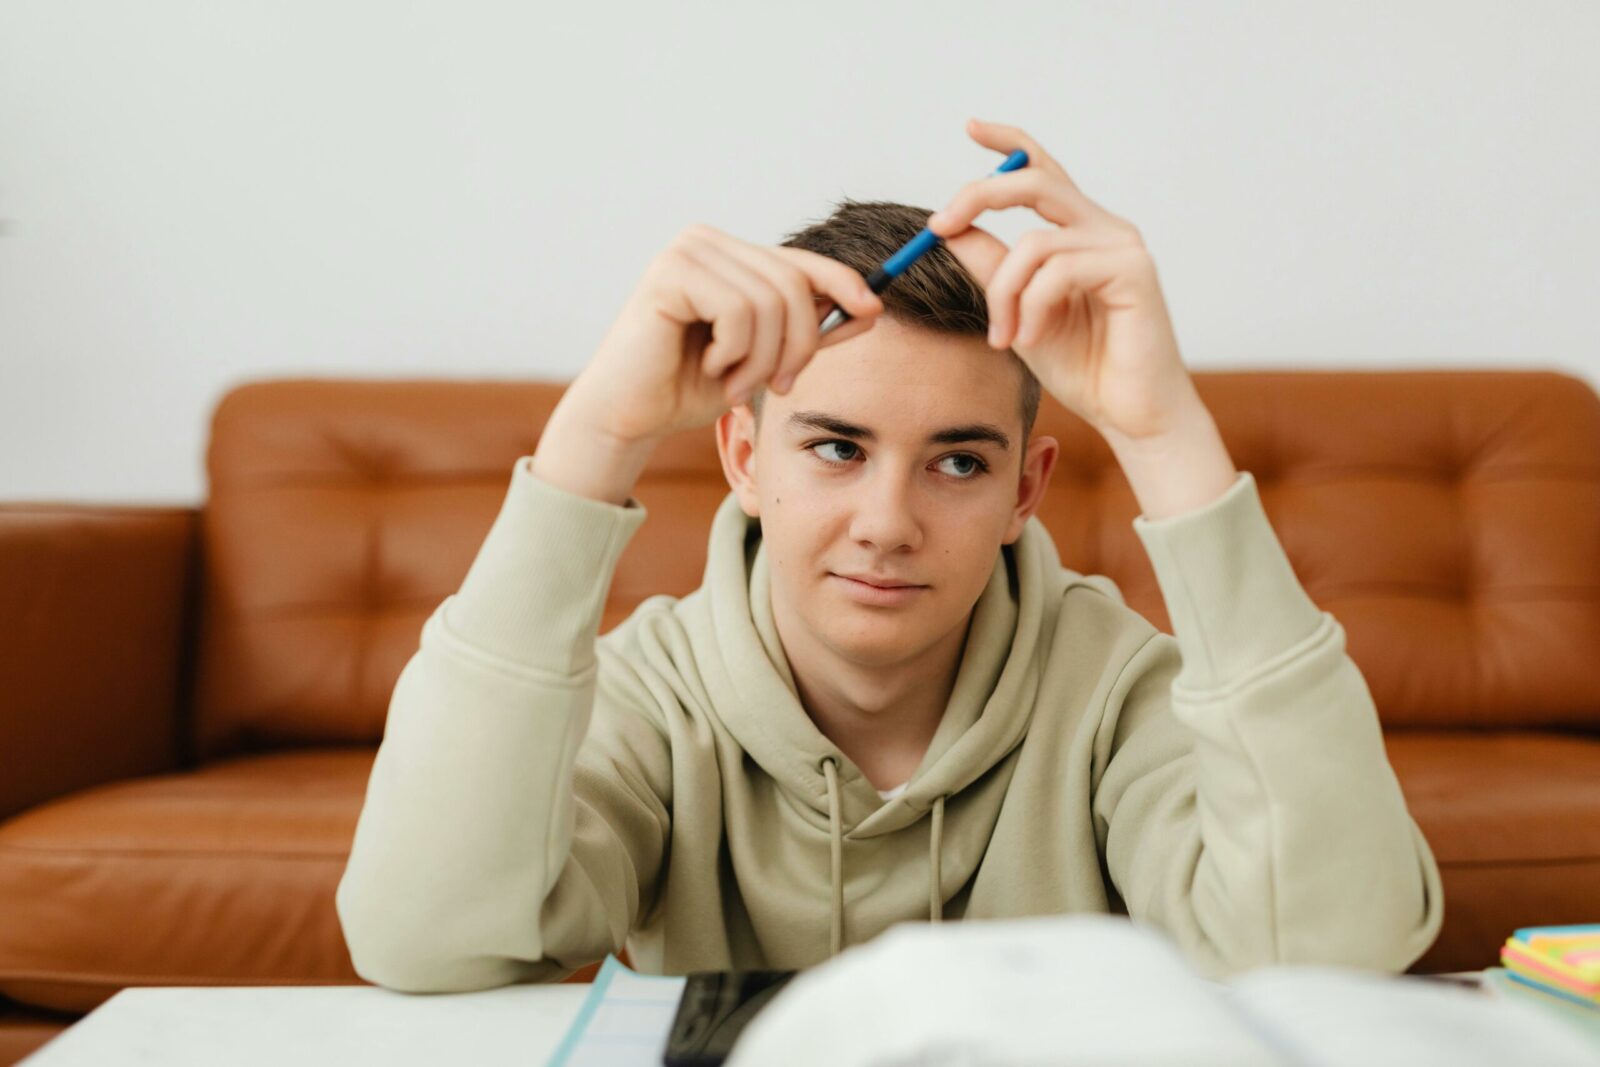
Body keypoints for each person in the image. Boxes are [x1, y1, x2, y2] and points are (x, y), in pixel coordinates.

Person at [336, 119, 1444, 993]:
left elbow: (1333, 951)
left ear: (1026, 489)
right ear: (740, 454)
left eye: (957, 463)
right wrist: (594, 439)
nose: (885, 521)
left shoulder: (1109, 684)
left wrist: (1163, 437)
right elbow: (422, 941)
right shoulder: (651, 695)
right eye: (833, 447)